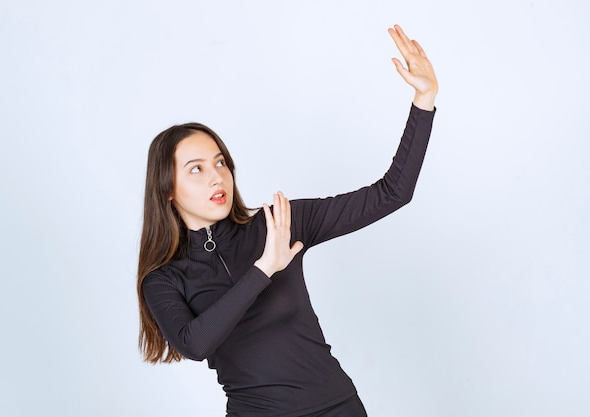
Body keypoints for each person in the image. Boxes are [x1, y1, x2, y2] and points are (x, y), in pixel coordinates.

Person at [137, 24, 437, 417]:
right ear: (168, 190)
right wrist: (264, 269)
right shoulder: (163, 279)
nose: (216, 176)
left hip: (339, 408)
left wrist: (424, 99)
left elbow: (392, 193)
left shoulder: (279, 222)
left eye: (220, 162)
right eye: (196, 169)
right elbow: (195, 344)